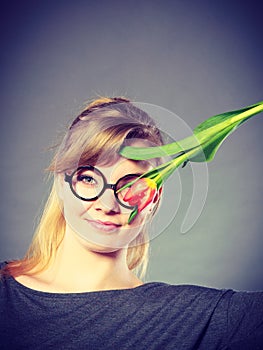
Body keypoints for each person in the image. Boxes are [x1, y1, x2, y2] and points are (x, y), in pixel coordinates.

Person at [0, 96, 262, 350]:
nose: (108, 205)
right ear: (62, 183)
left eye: (132, 185)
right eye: (89, 179)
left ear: (154, 200)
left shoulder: (197, 317)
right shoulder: (5, 294)